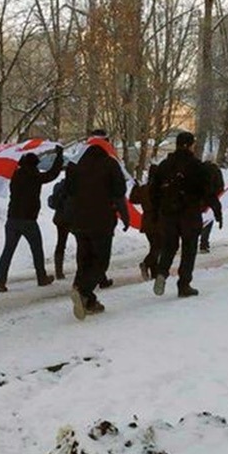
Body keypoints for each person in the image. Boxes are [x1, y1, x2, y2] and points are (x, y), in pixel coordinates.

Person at [65, 133, 129, 319]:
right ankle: (83, 290)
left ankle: (86, 299)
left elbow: (68, 190)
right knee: (100, 261)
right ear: (106, 144)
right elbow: (119, 193)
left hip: (78, 220)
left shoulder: (74, 164)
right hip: (101, 220)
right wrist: (125, 217)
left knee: (84, 258)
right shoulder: (110, 164)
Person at [150, 131, 221, 298]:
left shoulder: (164, 165)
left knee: (169, 246)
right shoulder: (197, 166)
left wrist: (156, 211)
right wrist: (216, 210)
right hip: (189, 213)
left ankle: (162, 273)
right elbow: (207, 191)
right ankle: (184, 285)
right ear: (190, 145)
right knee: (189, 249)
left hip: (168, 213)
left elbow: (153, 191)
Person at [0, 146, 64, 291]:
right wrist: (59, 156)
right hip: (28, 220)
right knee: (37, 249)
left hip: (12, 219)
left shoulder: (15, 175)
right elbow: (52, 174)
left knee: (7, 251)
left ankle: (1, 281)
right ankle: (41, 277)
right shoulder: (35, 176)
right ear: (35, 164)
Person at [128, 165, 160, 281]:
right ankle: (146, 263)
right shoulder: (160, 189)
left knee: (154, 247)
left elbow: (132, 199)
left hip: (147, 221)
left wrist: (136, 187)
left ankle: (154, 273)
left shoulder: (144, 189)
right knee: (158, 247)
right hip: (158, 221)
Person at [48, 162, 74, 280]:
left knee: (60, 244)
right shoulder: (77, 185)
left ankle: (59, 271)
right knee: (83, 242)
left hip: (60, 218)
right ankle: (84, 268)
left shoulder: (59, 185)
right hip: (73, 219)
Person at [198, 160, 224, 253]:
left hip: (197, 200)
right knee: (208, 220)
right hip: (211, 199)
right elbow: (220, 186)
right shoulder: (216, 170)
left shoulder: (199, 169)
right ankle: (204, 244)